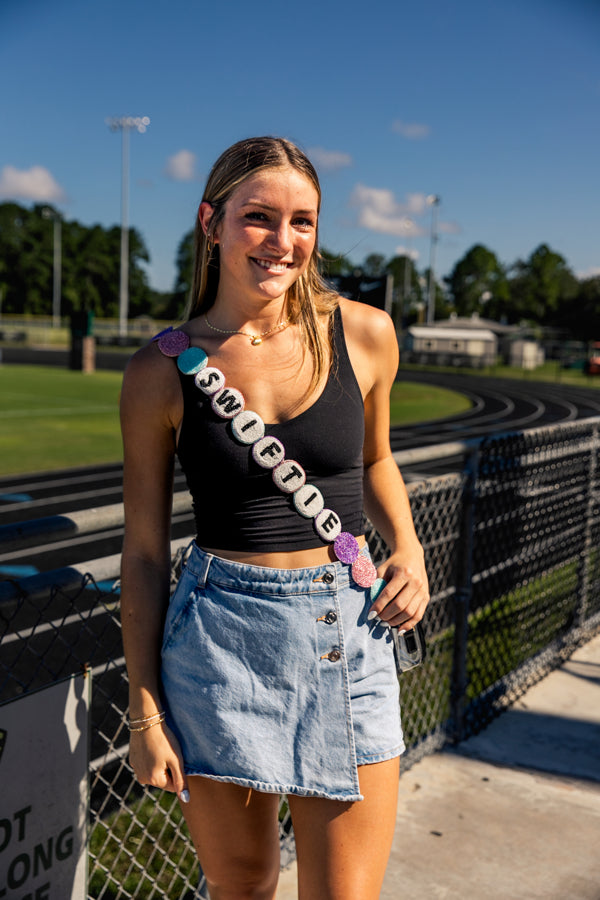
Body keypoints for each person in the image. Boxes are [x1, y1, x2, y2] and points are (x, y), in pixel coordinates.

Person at [119, 136, 429, 900]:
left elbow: (376, 460)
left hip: (348, 637)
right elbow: (145, 555)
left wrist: (411, 550)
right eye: (259, 218)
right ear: (211, 222)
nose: (283, 242)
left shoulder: (364, 332)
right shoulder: (159, 371)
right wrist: (144, 709)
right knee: (245, 887)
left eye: (303, 222)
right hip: (218, 645)